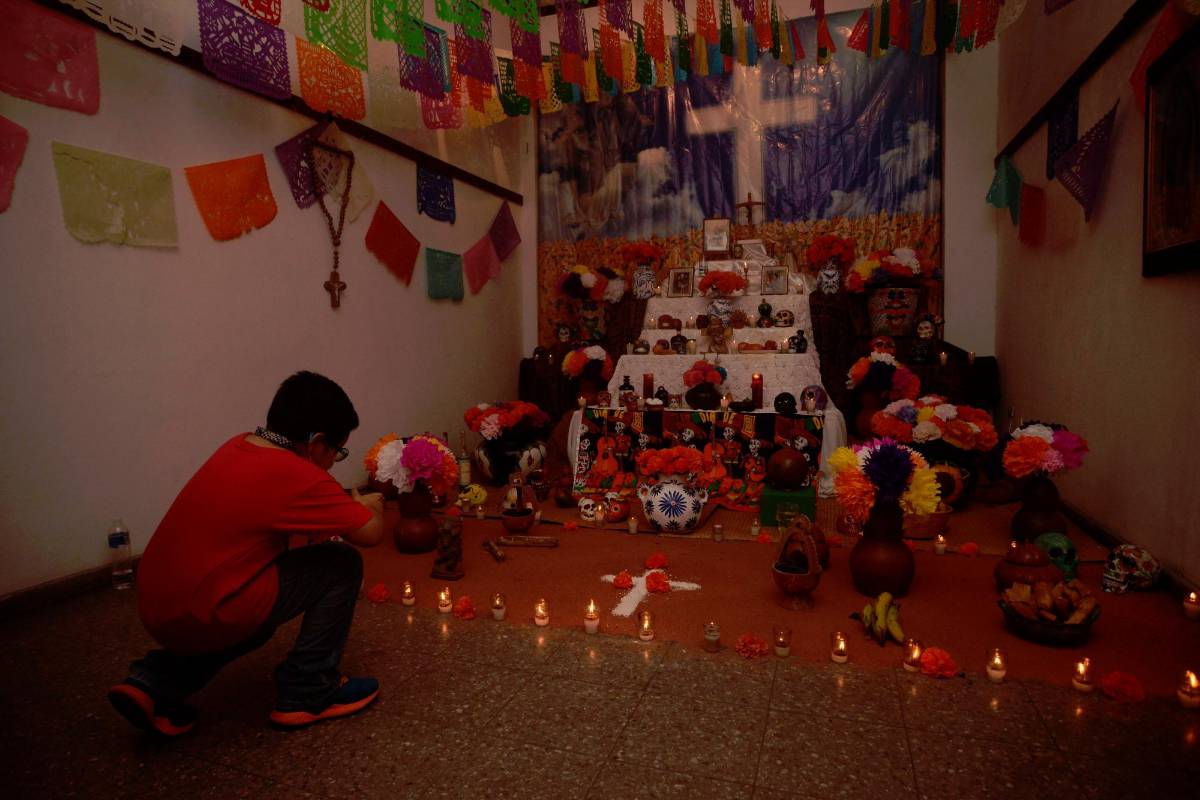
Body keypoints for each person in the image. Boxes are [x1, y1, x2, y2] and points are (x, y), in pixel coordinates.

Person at [108, 371, 386, 736]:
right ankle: (311, 689)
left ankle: (154, 681)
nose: (335, 460)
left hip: (156, 603)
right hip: (211, 609)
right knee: (341, 563)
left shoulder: (238, 445)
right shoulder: (298, 475)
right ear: (317, 442)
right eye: (338, 450)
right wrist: (374, 504)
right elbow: (370, 533)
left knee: (256, 619)